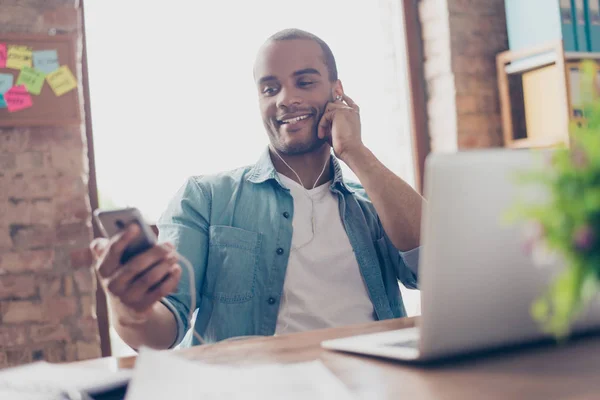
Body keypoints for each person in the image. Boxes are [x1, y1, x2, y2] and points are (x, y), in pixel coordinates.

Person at [92, 29, 424, 350]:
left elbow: (432, 266)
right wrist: (131, 311)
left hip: (371, 383)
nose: (286, 99)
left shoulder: (374, 203)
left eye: (304, 82)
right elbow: (163, 330)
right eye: (270, 89)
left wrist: (355, 150)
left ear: (337, 91)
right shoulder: (205, 198)